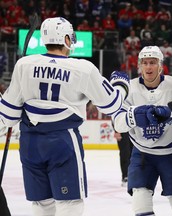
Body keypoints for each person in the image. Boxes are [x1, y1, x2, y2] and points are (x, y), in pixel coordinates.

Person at [0, 17, 130, 216]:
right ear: (67, 39)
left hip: (29, 143)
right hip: (62, 142)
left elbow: (8, 114)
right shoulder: (82, 69)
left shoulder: (24, 65)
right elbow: (112, 103)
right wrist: (121, 85)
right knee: (70, 205)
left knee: (41, 204)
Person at [112, 46, 172, 216]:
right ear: (140, 66)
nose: (149, 67)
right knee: (140, 200)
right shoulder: (129, 88)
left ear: (161, 66)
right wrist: (135, 116)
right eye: (145, 63)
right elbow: (119, 124)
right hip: (143, 153)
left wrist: (171, 114)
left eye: (153, 63)